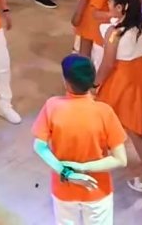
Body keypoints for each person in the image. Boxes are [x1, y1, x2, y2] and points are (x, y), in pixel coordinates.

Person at [32, 54, 127, 225]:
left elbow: (40, 147)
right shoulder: (104, 112)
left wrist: (66, 173)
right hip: (97, 190)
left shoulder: (52, 106)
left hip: (63, 190)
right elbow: (121, 159)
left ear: (66, 81)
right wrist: (83, 168)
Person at [96, 0, 142, 195]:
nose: (108, 4)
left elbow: (107, 64)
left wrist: (94, 84)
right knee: (133, 129)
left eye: (110, 2)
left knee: (107, 122)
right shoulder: (140, 26)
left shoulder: (114, 33)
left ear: (120, 7)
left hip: (121, 81)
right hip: (139, 75)